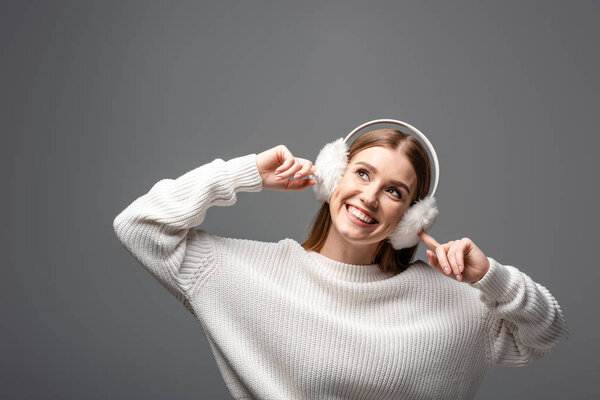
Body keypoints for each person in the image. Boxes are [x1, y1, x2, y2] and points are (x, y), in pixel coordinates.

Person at [113, 128, 568, 400]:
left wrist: (492, 277)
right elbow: (140, 226)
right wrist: (245, 173)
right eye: (363, 173)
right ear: (335, 177)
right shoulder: (247, 274)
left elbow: (544, 336)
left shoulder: (456, 303)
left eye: (395, 191)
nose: (370, 196)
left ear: (412, 218)